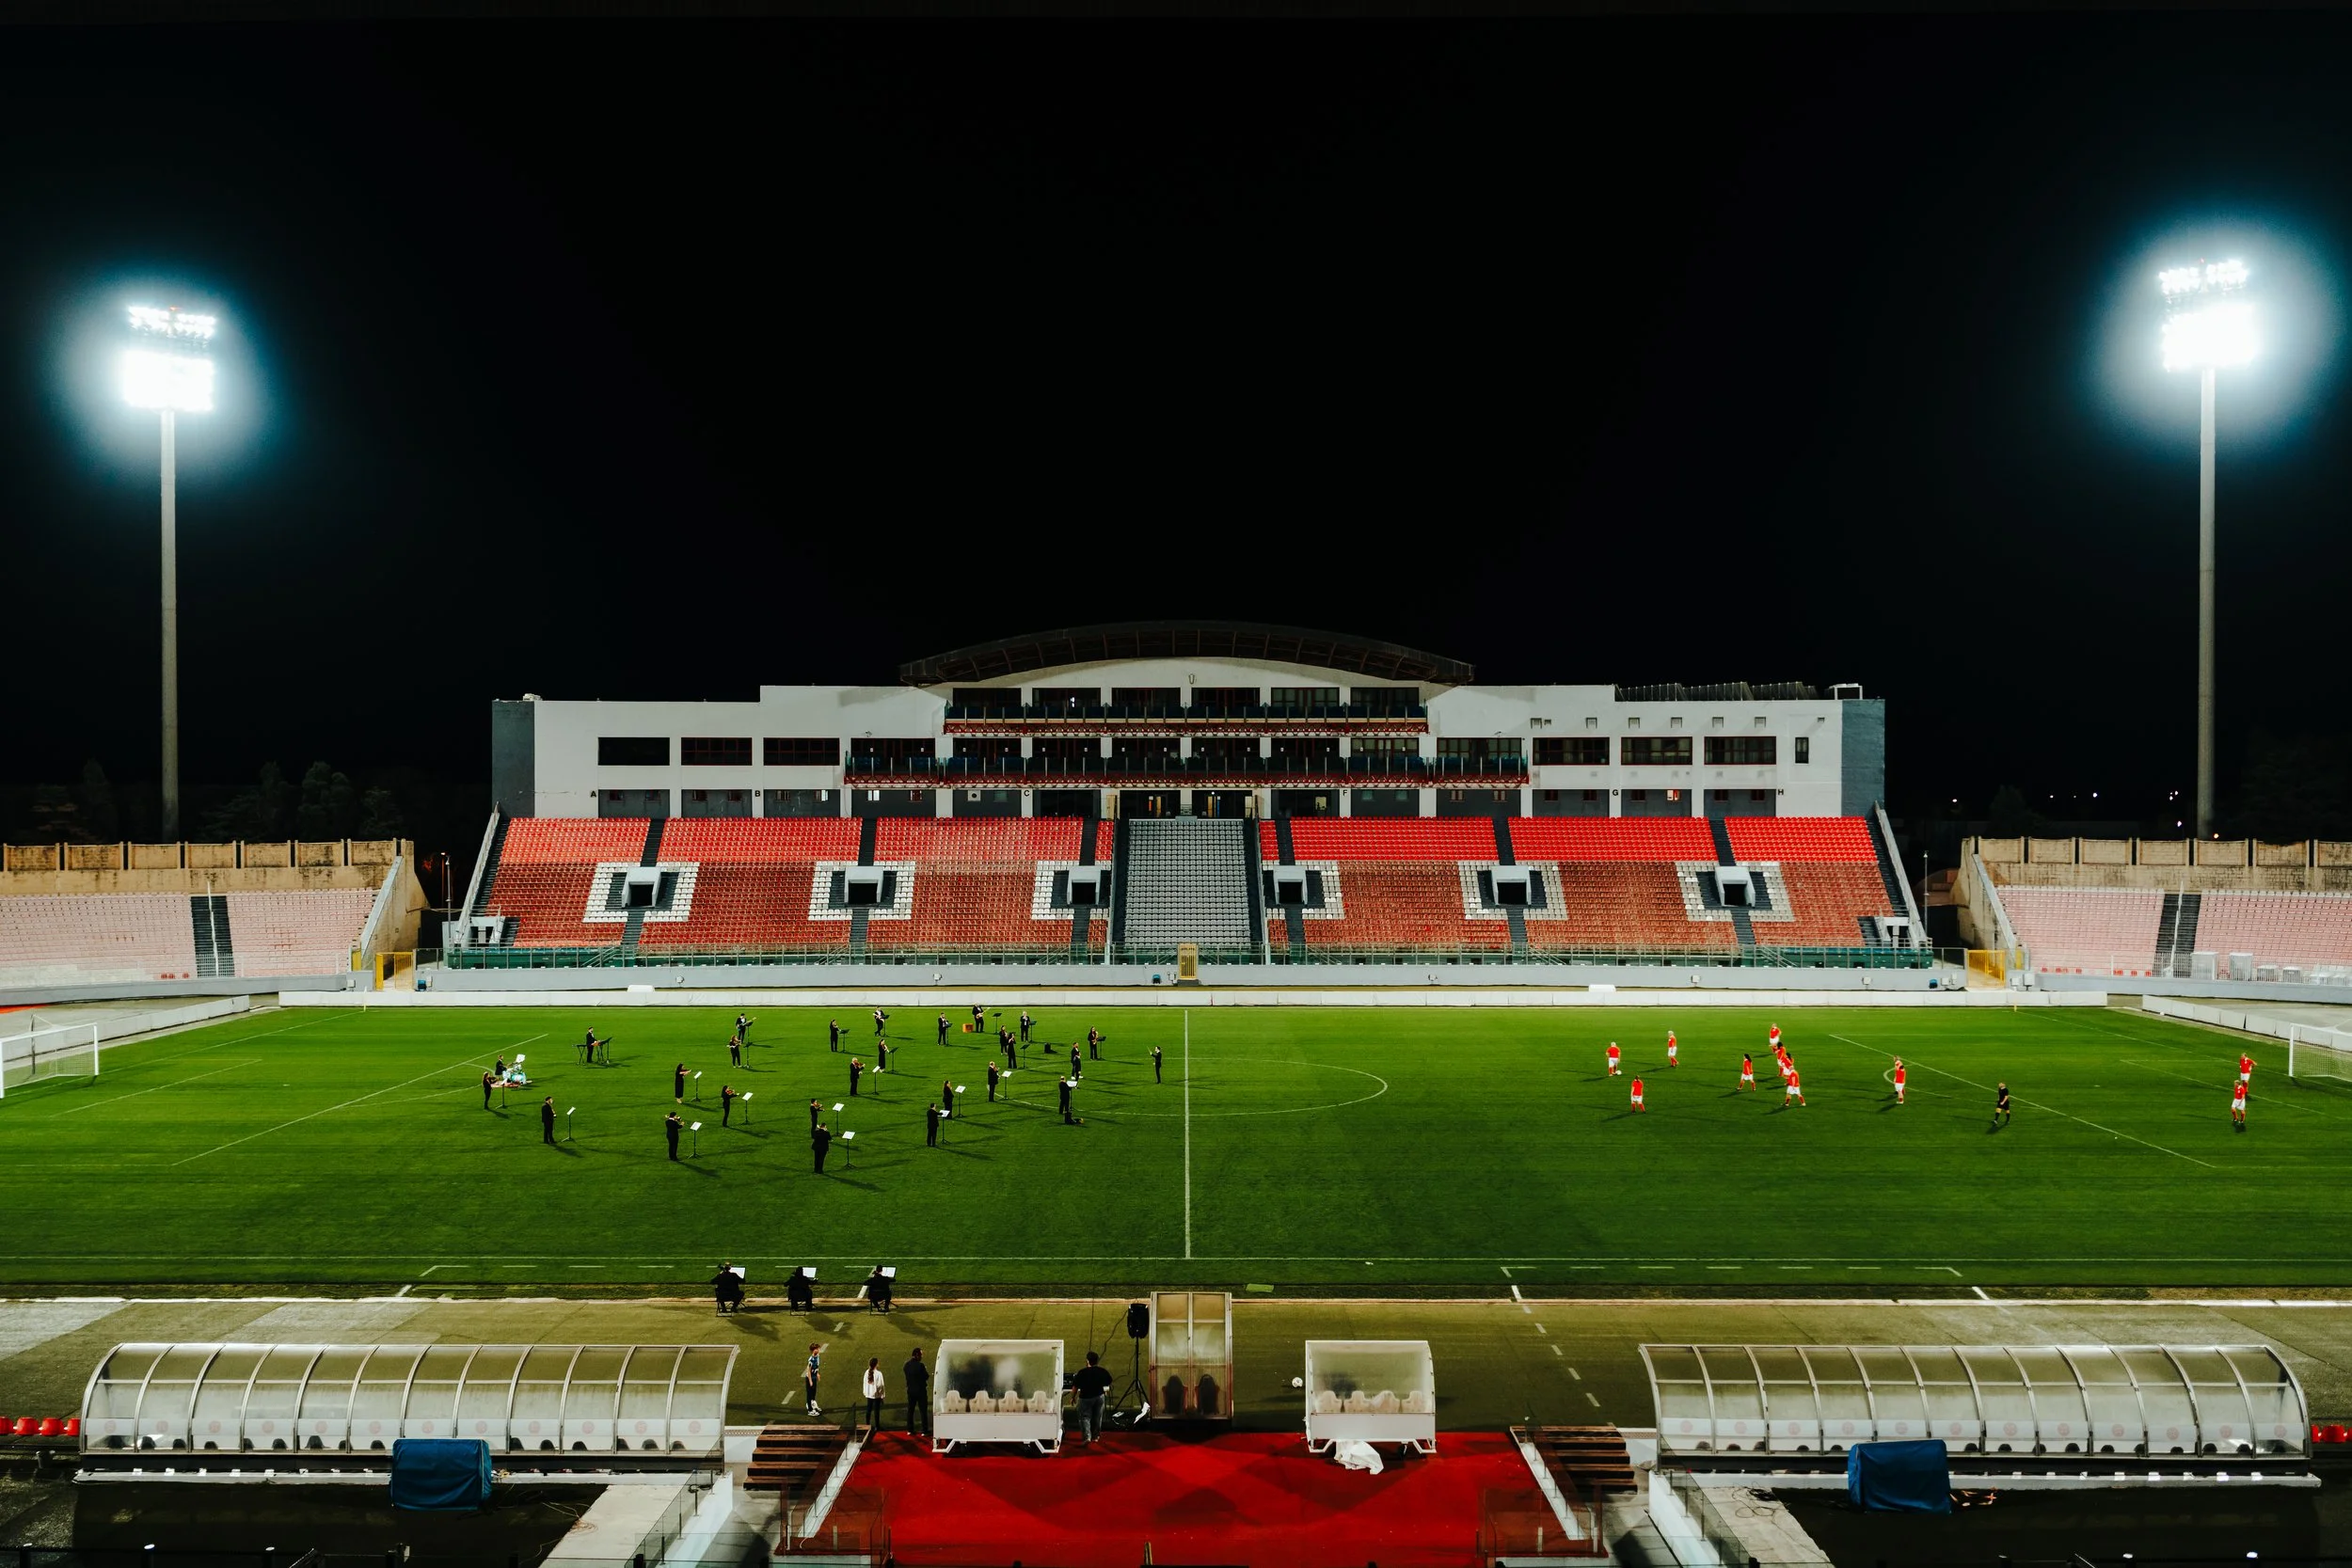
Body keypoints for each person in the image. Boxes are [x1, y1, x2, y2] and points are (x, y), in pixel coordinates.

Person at [1073, 1351, 1113, 1442]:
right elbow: (1109, 1382)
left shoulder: (1082, 1372)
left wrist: (1073, 1397)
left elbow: (1075, 1386)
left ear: (1087, 1361)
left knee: (1084, 1417)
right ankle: (1095, 1437)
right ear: (1097, 1361)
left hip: (1085, 1398)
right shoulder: (1102, 1371)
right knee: (1097, 1417)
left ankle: (1087, 1436)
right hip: (1099, 1397)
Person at [904, 1346, 931, 1435]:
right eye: (921, 1355)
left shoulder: (906, 1365)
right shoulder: (921, 1366)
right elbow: (926, 1376)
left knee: (910, 1410)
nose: (921, 1356)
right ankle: (924, 1430)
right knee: (923, 1411)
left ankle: (910, 1429)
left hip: (911, 1391)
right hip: (921, 1391)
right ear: (916, 1355)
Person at [863, 1357, 887, 1430]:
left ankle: (867, 1425)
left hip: (869, 1394)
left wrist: (865, 1392)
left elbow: (864, 1383)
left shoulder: (867, 1372)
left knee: (868, 1409)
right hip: (876, 1395)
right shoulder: (879, 1374)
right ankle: (877, 1426)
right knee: (876, 1411)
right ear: (876, 1364)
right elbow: (880, 1386)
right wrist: (882, 1396)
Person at [803, 1343, 824, 1415]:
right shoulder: (811, 1360)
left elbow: (816, 1367)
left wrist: (817, 1374)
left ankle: (813, 1405)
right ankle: (810, 1410)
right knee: (809, 1394)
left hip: (814, 1377)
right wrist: (810, 1381)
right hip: (810, 1378)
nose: (818, 1350)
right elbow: (808, 1371)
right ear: (813, 1350)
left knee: (813, 1392)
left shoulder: (817, 1357)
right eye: (817, 1349)